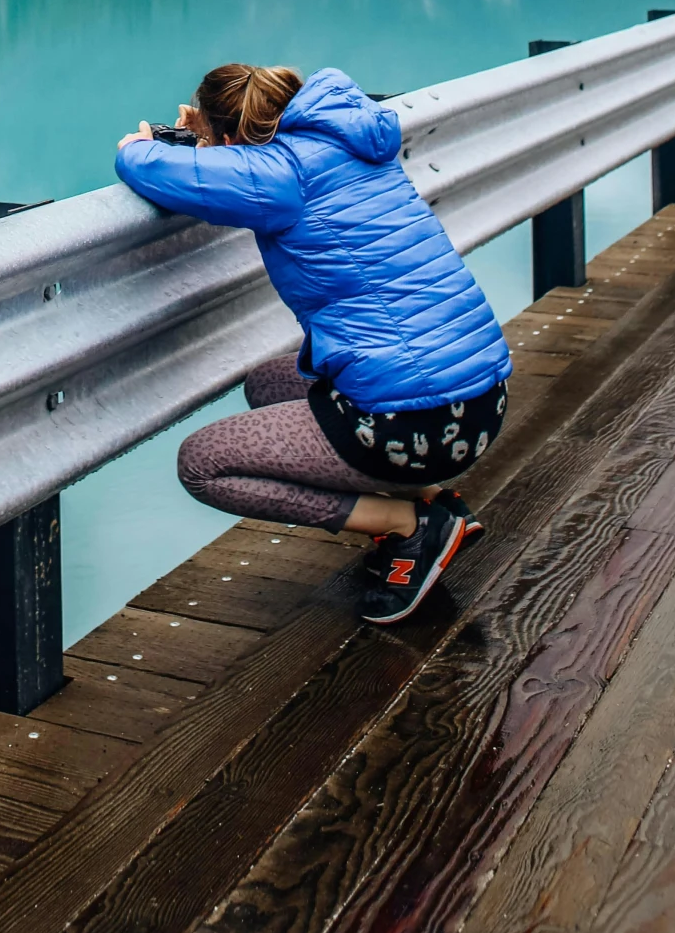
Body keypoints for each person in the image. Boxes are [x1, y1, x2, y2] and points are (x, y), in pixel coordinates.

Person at [116, 62, 511, 624]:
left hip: (414, 425)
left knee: (202, 465)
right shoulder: (351, 145)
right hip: (480, 405)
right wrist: (211, 136)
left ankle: (408, 528)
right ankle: (429, 498)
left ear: (232, 141)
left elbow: (138, 161)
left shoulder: (278, 176)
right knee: (267, 383)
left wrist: (154, 142)